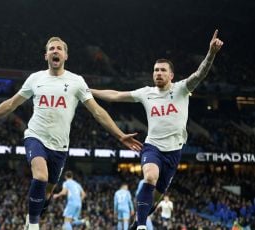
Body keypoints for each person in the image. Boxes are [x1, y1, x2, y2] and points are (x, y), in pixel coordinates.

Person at [0, 36, 143, 230]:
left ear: (66, 55)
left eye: (59, 48)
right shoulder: (36, 79)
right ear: (46, 55)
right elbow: (10, 104)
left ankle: (34, 213)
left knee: (48, 191)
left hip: (60, 146)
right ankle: (33, 224)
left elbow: (98, 111)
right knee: (40, 176)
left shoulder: (77, 81)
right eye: (52, 49)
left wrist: (119, 134)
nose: (55, 51)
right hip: (35, 136)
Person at [91, 30, 223, 230]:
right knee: (150, 177)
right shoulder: (146, 93)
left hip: (174, 152)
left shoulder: (181, 89)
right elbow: (115, 95)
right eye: (155, 70)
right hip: (152, 147)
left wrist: (211, 54)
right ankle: (143, 226)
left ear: (171, 75)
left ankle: (136, 224)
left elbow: (200, 74)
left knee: (157, 197)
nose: (158, 73)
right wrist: (88, 91)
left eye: (162, 70)